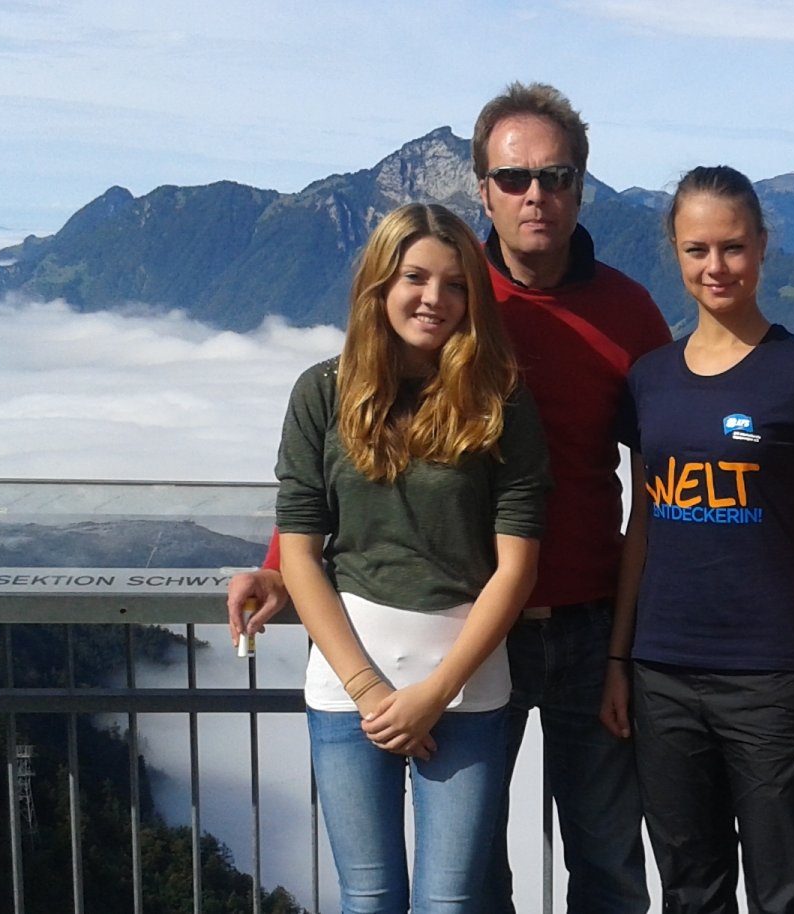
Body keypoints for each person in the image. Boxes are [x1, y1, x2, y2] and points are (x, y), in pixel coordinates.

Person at [231, 82, 669, 913]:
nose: (535, 195)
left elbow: (659, 481)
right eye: (514, 179)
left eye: (557, 175)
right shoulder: (445, 288)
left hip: (585, 624)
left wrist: (629, 642)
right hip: (460, 630)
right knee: (469, 881)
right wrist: (280, 567)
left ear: (581, 185)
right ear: (484, 190)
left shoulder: (628, 310)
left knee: (608, 862)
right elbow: (354, 443)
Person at [601, 165, 794, 914]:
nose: (715, 267)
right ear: (675, 254)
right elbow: (643, 522)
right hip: (663, 674)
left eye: (733, 248)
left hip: (773, 677)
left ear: (762, 248)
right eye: (696, 250)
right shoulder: (650, 380)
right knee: (691, 889)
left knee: (791, 889)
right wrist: (620, 659)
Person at [278, 202, 551, 913]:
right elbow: (301, 556)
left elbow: (515, 566)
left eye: (455, 284)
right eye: (414, 278)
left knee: (450, 903)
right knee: (367, 898)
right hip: (347, 687)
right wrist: (372, 692)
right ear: (379, 284)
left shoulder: (501, 402)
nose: (435, 299)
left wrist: (433, 696)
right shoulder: (322, 394)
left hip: (465, 687)